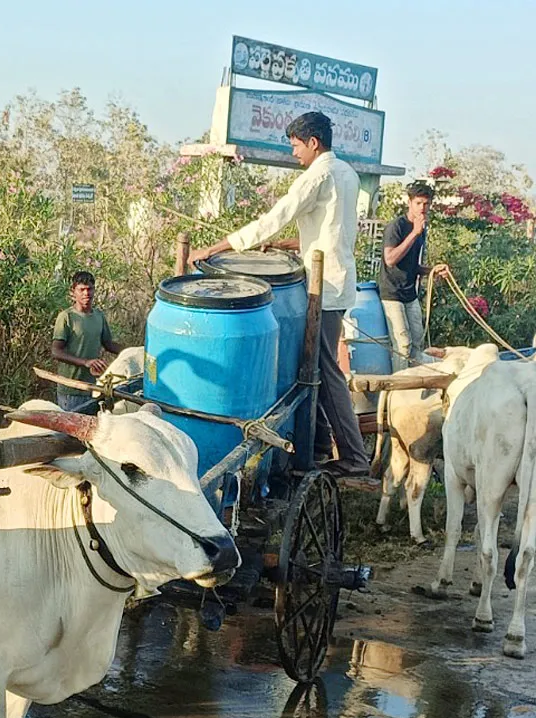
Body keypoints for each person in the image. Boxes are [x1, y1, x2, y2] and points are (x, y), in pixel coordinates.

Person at [189, 112, 370, 477]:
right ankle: (318, 443)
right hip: (335, 279)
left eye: (296, 145)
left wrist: (217, 247)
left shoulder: (317, 176)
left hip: (325, 288)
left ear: (313, 143)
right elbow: (331, 231)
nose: (294, 152)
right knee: (313, 367)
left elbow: (275, 216)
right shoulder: (346, 174)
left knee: (324, 369)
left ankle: (353, 457)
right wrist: (289, 244)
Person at [379, 181, 450, 370]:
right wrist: (414, 234)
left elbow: (412, 265)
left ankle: (416, 386)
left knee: (417, 343)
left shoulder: (422, 229)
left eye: (426, 204)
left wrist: (433, 270)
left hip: (410, 293)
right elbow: (390, 259)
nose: (423, 208)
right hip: (392, 293)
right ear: (409, 202)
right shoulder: (397, 227)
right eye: (418, 203)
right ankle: (398, 390)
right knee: (402, 345)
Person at [51, 270, 124, 410]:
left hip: (92, 388)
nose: (86, 293)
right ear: (73, 292)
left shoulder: (98, 316)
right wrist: (85, 362)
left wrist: (135, 351)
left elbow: (108, 344)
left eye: (89, 289)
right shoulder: (67, 317)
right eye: (81, 290)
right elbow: (56, 351)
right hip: (71, 389)